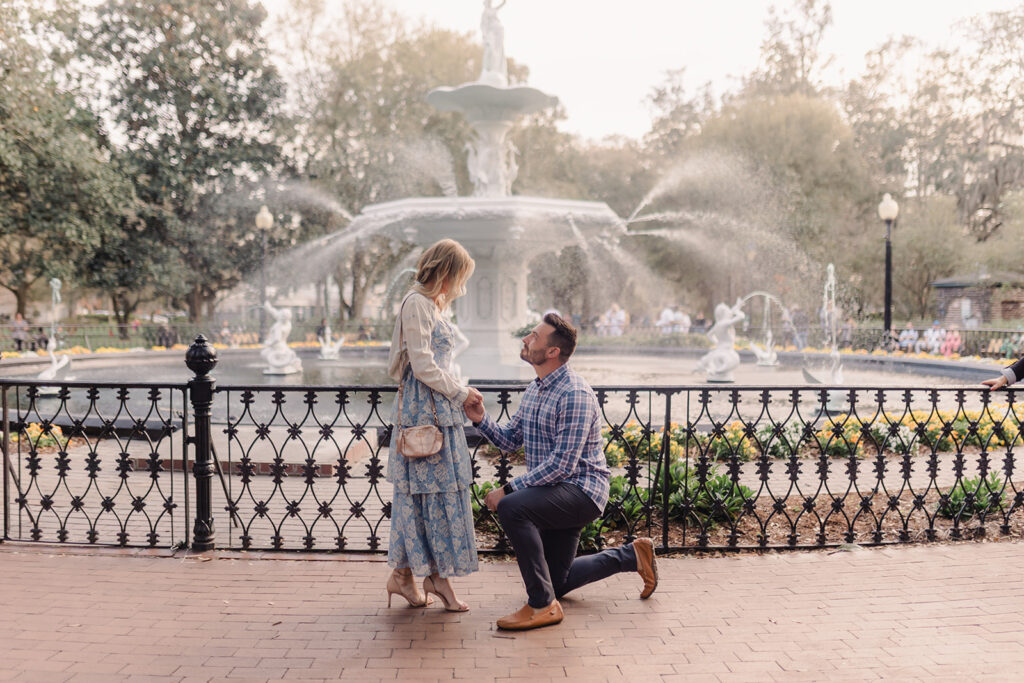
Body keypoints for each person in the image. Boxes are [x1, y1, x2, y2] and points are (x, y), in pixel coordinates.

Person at [465, 313, 658, 631]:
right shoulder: (536, 389)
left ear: (552, 351)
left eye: (534, 336)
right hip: (554, 491)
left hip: (581, 491)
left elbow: (562, 465)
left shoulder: (574, 394)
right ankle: (632, 556)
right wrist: (481, 418)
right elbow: (511, 440)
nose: (526, 339)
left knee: (513, 507)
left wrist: (508, 490)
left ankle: (541, 606)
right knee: (558, 581)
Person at [386, 239, 484, 612]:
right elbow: (423, 365)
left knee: (434, 494)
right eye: (460, 276)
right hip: (424, 410)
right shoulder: (417, 304)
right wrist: (460, 393)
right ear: (446, 271)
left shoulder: (429, 305)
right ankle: (418, 576)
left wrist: (459, 392)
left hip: (436, 408)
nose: (461, 285)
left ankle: (414, 575)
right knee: (424, 495)